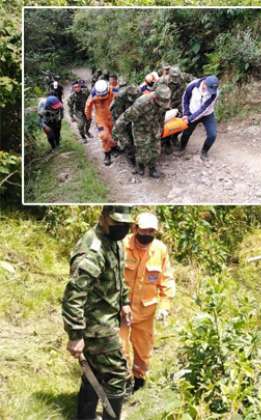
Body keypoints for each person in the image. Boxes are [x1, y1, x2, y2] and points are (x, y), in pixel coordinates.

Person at [62, 206, 134, 420]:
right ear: (103, 218)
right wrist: (75, 336)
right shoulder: (93, 250)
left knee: (92, 370)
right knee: (116, 374)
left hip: (109, 317)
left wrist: (124, 302)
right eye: (116, 223)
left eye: (125, 224)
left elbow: (118, 276)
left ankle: (84, 417)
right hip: (96, 325)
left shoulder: (115, 241)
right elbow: (73, 295)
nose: (121, 228)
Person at [119, 212, 175, 394]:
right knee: (120, 350)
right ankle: (122, 384)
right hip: (121, 312)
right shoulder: (121, 245)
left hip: (145, 312)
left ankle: (139, 382)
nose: (147, 235)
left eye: (152, 232)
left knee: (143, 351)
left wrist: (165, 307)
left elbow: (166, 280)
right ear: (135, 228)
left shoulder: (160, 250)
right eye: (144, 230)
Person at [113, 85, 171, 178]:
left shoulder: (164, 100)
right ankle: (140, 166)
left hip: (154, 127)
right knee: (142, 151)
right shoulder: (142, 103)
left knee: (156, 150)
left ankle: (152, 168)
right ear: (156, 97)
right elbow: (125, 118)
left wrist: (161, 128)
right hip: (141, 130)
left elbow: (162, 116)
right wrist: (116, 131)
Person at [178, 75, 220, 160]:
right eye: (209, 89)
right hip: (191, 112)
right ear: (204, 84)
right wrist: (186, 114)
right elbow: (185, 99)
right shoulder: (192, 85)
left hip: (207, 114)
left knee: (212, 135)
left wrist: (189, 120)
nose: (211, 92)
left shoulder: (215, 93)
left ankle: (204, 152)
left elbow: (204, 109)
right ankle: (181, 148)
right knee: (186, 133)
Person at [158, 67, 194, 154]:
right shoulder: (162, 81)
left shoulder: (183, 76)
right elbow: (155, 93)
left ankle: (174, 136)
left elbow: (196, 82)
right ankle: (166, 142)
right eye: (173, 77)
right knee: (165, 123)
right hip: (166, 104)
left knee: (183, 121)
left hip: (179, 103)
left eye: (177, 77)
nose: (176, 79)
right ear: (169, 75)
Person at [85, 80, 117, 166]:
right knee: (104, 135)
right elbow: (88, 106)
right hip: (100, 119)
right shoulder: (93, 94)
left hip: (112, 116)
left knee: (113, 133)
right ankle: (107, 154)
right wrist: (88, 117)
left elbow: (120, 94)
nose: (103, 97)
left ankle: (113, 146)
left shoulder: (112, 89)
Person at [110, 85, 142, 167]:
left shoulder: (138, 93)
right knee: (126, 141)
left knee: (134, 137)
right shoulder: (120, 97)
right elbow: (119, 117)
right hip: (119, 117)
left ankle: (136, 155)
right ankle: (131, 159)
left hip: (131, 114)